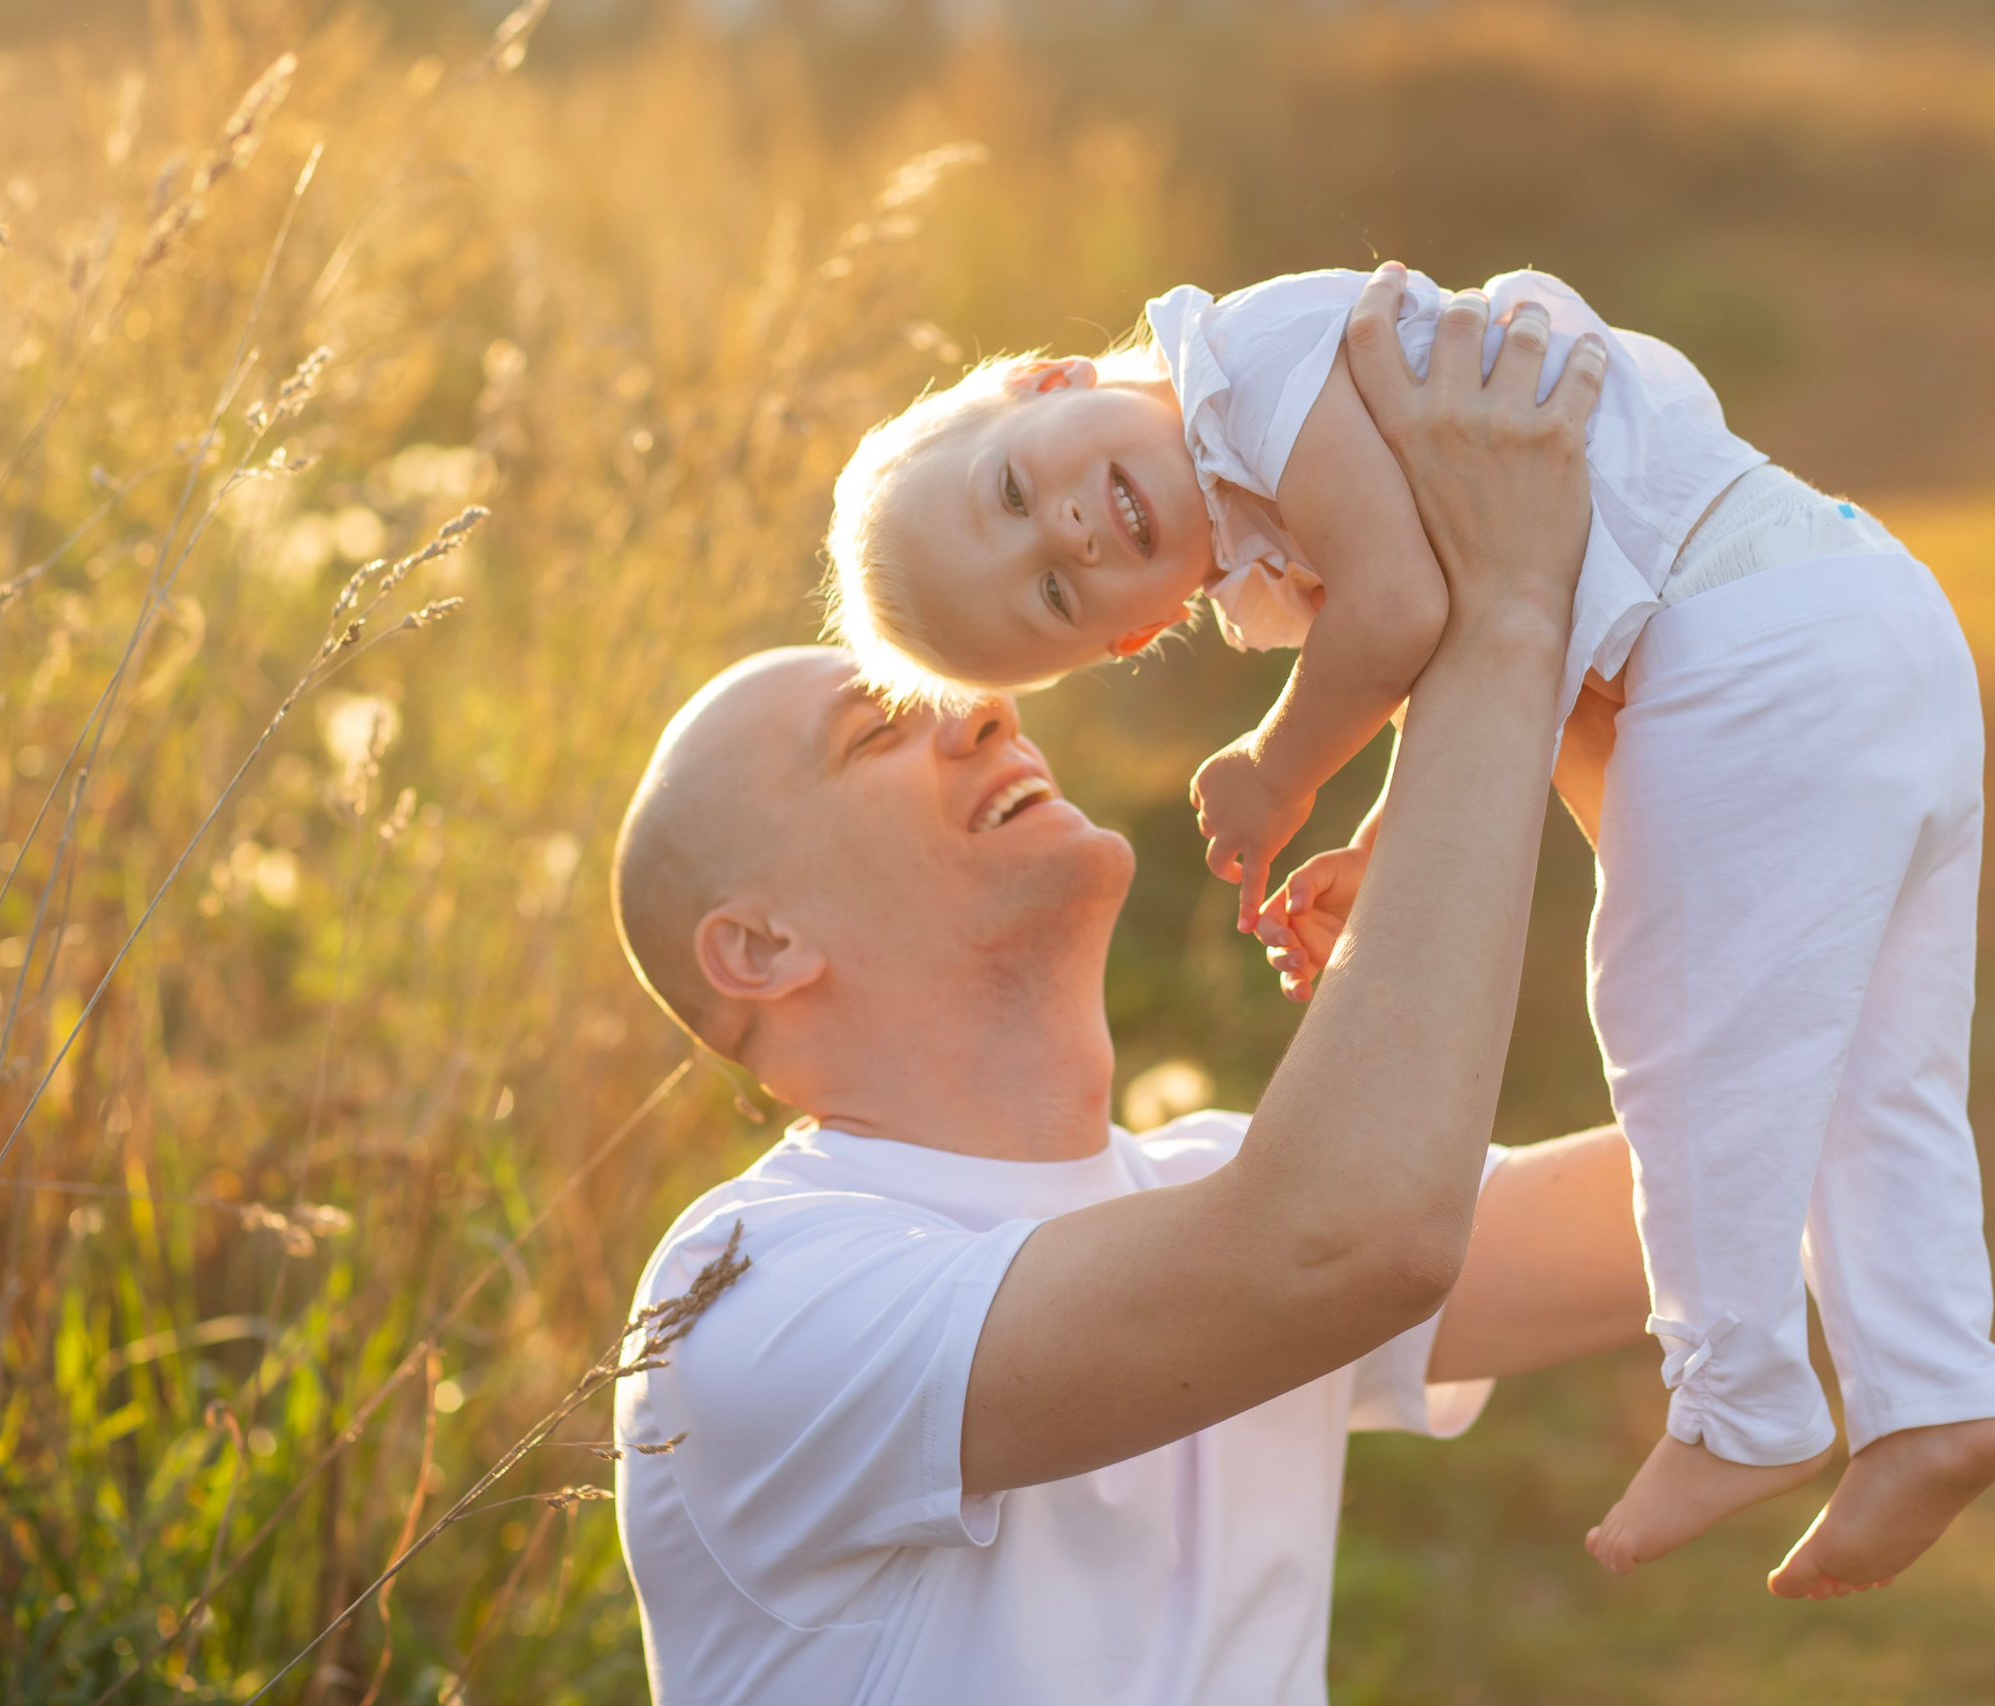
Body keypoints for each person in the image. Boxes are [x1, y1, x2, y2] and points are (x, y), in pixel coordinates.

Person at [818, 262, 1995, 1588]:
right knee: (1870, 1069)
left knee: (1689, 1039)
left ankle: (1743, 1398)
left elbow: (1399, 609)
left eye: (1007, 487)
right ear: (1130, 639)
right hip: (1851, 605)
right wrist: (1390, 852)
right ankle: (1935, 1391)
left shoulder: (1253, 364)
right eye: (1053, 591)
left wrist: (1280, 767)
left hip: (1742, 654)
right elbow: (1455, 627)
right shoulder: (1262, 468)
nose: (1068, 531)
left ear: (1038, 382)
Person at [610, 297, 1648, 1704]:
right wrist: (1501, 617)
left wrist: (1604, 674)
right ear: (761, 945)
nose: (981, 710)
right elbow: (1346, 1241)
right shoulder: (744, 1295)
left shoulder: (1212, 1189)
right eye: (875, 729)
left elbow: (1740, 1189)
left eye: (963, 688)